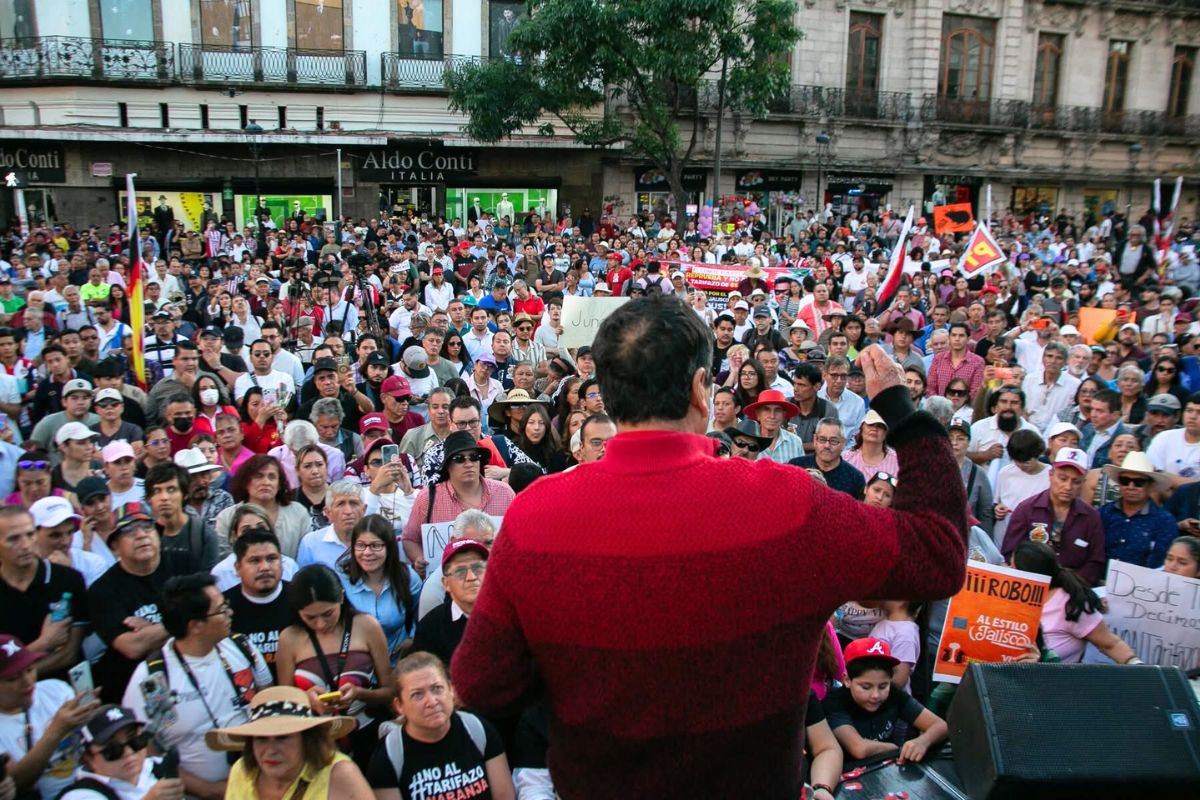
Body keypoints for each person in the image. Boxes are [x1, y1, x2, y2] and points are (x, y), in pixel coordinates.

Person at [451, 298, 968, 798]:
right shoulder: (788, 504)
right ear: (703, 388)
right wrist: (902, 411)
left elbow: (481, 683)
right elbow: (938, 556)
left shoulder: (534, 516)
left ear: (607, 393)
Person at [122, 574, 273, 800]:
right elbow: (148, 750)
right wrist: (207, 790)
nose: (229, 613)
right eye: (221, 610)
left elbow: (270, 700)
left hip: (261, 787)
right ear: (195, 626)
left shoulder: (241, 648)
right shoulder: (154, 679)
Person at [275, 565, 394, 767]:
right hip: (315, 740)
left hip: (366, 733)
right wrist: (306, 699)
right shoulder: (289, 638)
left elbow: (390, 691)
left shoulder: (366, 626)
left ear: (341, 597)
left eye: (328, 613)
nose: (320, 624)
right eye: (310, 617)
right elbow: (284, 700)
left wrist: (359, 693)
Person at [367, 651, 515, 800]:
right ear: (399, 706)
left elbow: (505, 796)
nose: (431, 701)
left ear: (451, 690)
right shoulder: (388, 756)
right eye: (417, 695)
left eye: (437, 688)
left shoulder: (478, 729)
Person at [206, 686, 372, 800]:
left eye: (283, 737)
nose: (271, 750)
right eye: (261, 738)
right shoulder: (241, 771)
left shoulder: (340, 774)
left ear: (306, 739)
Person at [89, 504, 173, 703]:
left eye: (147, 527)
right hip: (131, 687)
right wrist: (184, 621)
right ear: (115, 546)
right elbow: (133, 647)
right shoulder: (102, 590)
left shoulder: (185, 565)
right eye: (129, 530)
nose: (141, 535)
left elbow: (210, 617)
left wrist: (152, 630)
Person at [0, 633, 101, 799]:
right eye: (13, 678)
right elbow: (14, 784)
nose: (27, 681)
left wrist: (93, 714)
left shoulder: (55, 689)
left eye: (29, 670)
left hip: (92, 787)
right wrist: (57, 730)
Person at [402, 432, 515, 578]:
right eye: (459, 459)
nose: (468, 464)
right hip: (446, 584)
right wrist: (419, 559)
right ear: (448, 465)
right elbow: (410, 539)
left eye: (474, 457)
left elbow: (519, 536)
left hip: (499, 578)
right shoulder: (427, 498)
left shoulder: (505, 492)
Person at [1011, 542, 1140, 664]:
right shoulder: (1005, 603)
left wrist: (1138, 667)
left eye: (1013, 569)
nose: (1007, 574)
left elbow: (1111, 644)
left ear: (1030, 575)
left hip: (1054, 683)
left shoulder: (1069, 605)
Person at [821, 637, 947, 763]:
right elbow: (859, 749)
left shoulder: (894, 694)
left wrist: (922, 742)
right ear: (847, 680)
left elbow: (941, 725)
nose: (875, 695)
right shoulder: (834, 703)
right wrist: (898, 748)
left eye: (883, 686)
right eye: (866, 687)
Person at [0, 504, 89, 680]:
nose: (25, 545)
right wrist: (44, 643)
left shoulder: (69, 580)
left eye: (30, 535)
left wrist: (13, 677)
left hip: (67, 689)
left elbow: (69, 654)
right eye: (13, 539)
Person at [1002, 447, 1107, 585]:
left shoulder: (1091, 517)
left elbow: (1095, 562)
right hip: (1030, 587)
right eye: (1062, 478)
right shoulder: (1026, 509)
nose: (1068, 487)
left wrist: (1067, 585)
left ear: (1083, 482)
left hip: (1074, 592)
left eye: (1076, 481)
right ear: (1050, 475)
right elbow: (1010, 552)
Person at [339, 515, 421, 664]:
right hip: (355, 666)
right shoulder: (341, 580)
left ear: (389, 547)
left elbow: (420, 615)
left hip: (397, 663)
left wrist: (413, 638)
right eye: (361, 545)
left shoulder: (408, 578)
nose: (367, 553)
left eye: (375, 545)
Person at [58, 704, 185, 800]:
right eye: (113, 749)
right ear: (89, 760)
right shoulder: (79, 795)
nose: (128, 752)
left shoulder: (158, 767)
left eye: (134, 741)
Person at [223, 528, 293, 678]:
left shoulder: (300, 598)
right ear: (237, 567)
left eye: (272, 558)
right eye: (254, 561)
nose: (265, 567)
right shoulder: (223, 609)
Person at [215, 455, 312, 559]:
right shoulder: (227, 517)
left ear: (279, 484)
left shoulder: (298, 513)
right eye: (259, 476)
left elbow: (306, 553)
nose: (266, 482)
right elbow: (224, 558)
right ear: (246, 482)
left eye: (272, 477)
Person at [1099, 451, 1176, 568]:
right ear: (1119, 483)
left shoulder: (1164, 522)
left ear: (1150, 485)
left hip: (1143, 584)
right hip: (1099, 583)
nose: (1131, 487)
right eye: (1125, 480)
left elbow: (1160, 563)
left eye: (1139, 482)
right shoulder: (1103, 513)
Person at [295, 480, 367, 570]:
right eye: (340, 504)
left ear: (364, 510)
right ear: (328, 512)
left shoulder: (377, 541)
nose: (348, 511)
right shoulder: (310, 543)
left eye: (354, 503)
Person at [791, 417, 867, 498]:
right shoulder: (796, 466)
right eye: (822, 439)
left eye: (833, 441)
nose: (827, 446)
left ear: (843, 443)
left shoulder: (855, 478)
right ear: (815, 440)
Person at [741, 389, 805, 463]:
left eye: (777, 410)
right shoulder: (745, 443)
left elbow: (802, 473)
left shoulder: (795, 442)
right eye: (766, 409)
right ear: (758, 414)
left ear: (784, 415)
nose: (772, 416)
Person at [842, 409, 898, 480]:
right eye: (870, 425)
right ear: (861, 429)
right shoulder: (845, 458)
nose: (874, 428)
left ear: (886, 433)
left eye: (880, 426)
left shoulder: (897, 460)